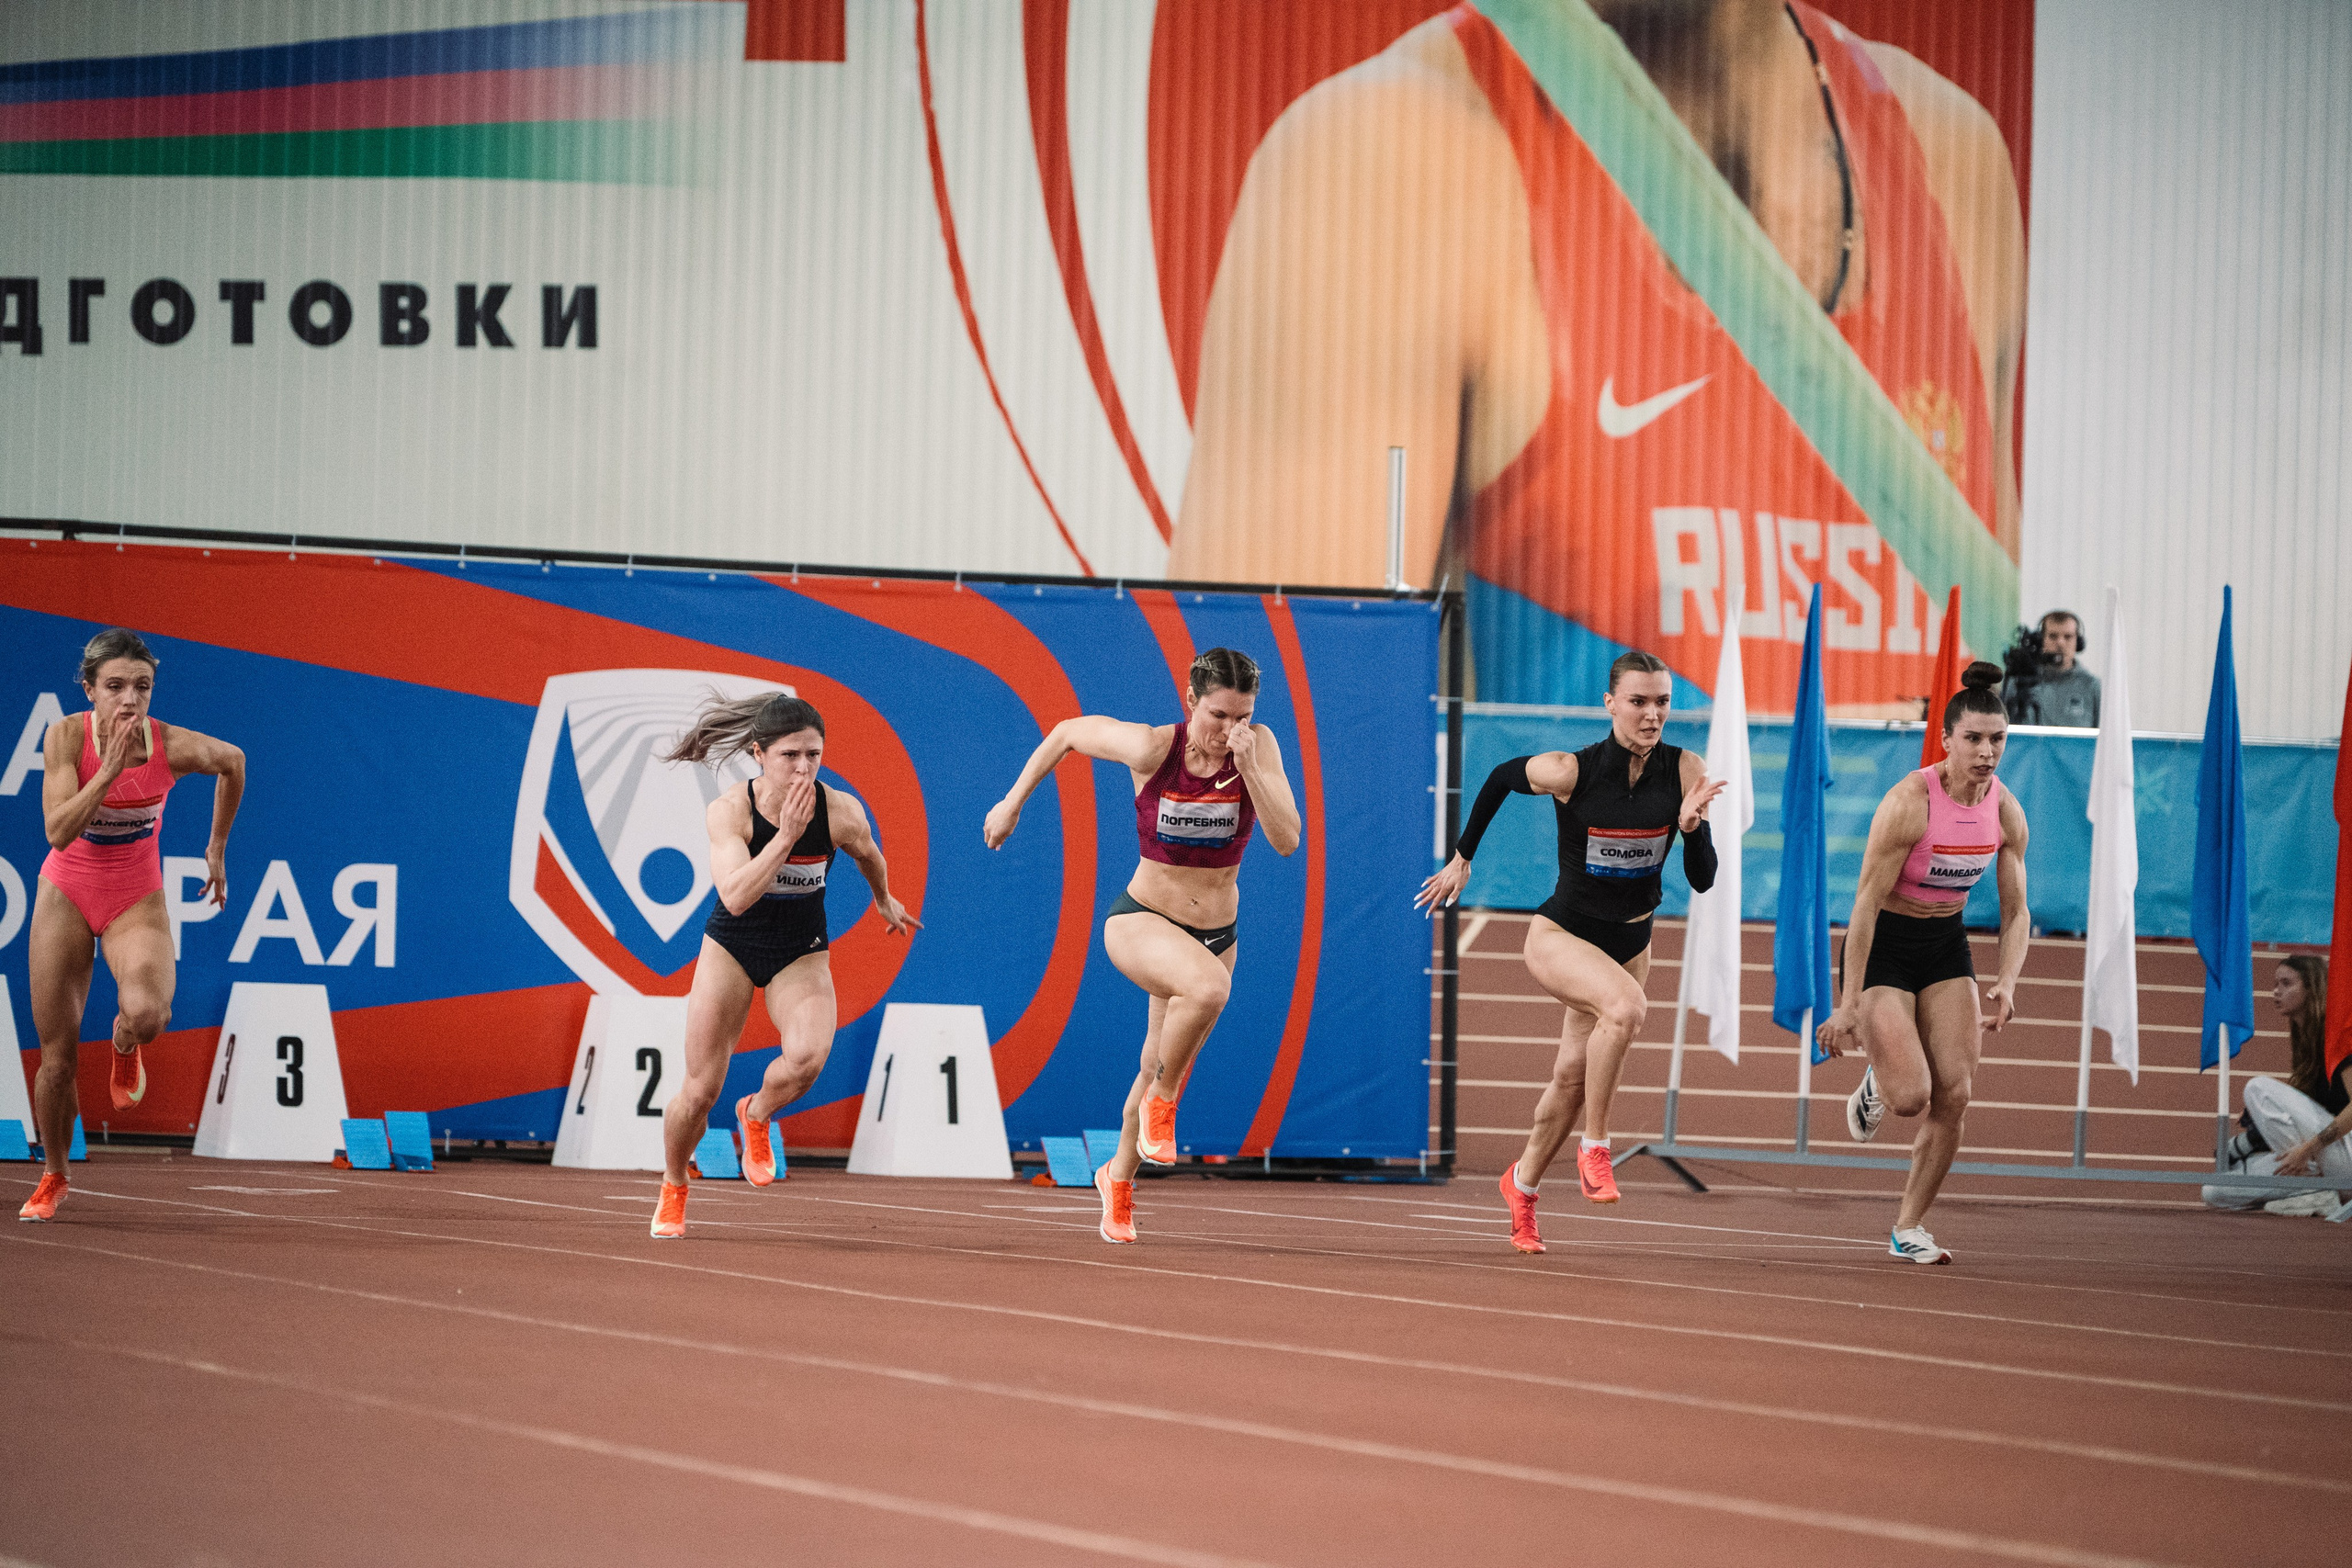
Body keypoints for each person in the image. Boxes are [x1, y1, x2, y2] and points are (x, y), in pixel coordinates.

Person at [1170, 0, 2027, 714]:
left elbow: (1995, 760)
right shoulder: (1388, 159)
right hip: (1583, 916)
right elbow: (1242, 810)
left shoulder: (1956, 177)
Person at [984, 649, 1301, 1245]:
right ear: (1190, 700)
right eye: (1217, 714)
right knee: (1207, 991)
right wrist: (1012, 802)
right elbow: (1066, 733)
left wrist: (1251, 766)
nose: (1228, 729)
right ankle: (1163, 1100)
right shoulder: (1155, 747)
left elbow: (1287, 840)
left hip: (1217, 932)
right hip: (1143, 919)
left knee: (1157, 1058)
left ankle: (1119, 1177)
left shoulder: (1259, 747)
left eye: (1241, 715)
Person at [1418, 649, 1724, 1251]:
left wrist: (1692, 829)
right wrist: (1463, 855)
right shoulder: (1571, 771)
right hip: (1563, 936)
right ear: (1610, 703)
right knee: (1627, 1010)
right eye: (1638, 701)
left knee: (1570, 1075)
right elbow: (1502, 775)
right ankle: (1597, 1145)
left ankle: (1522, 1184)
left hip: (1633, 940)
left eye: (1662, 701)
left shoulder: (1685, 769)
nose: (1652, 713)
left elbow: (1705, 878)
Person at [650, 693, 918, 1240]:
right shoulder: (730, 811)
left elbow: (869, 852)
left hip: (800, 948)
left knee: (808, 1058)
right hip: (733, 944)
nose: (803, 767)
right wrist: (788, 837)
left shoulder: (840, 810)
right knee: (699, 1091)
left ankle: (757, 1111)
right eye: (790, 755)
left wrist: (884, 898)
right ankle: (675, 1183)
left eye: (814, 755)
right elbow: (736, 895)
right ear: (758, 755)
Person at [22, 628, 244, 1224]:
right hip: (66, 891)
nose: (130, 699)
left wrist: (216, 845)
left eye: (141, 686)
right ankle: (55, 1174)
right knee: (57, 1059)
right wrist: (111, 769)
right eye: (115, 686)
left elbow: (233, 761)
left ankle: (123, 1044)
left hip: (133, 896)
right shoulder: (65, 736)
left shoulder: (168, 744)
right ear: (89, 689)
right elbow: (58, 831)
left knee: (149, 1014)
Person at [1819, 660, 2027, 1263]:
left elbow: (2016, 911)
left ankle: (1908, 1225)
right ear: (1947, 738)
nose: (1987, 752)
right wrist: (1848, 1003)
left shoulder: (2006, 810)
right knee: (1910, 1095)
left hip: (1944, 945)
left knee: (1955, 1094)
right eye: (1974, 739)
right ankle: (1881, 1080)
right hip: (1886, 941)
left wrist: (2008, 980)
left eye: (1997, 740)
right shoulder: (1910, 802)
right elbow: (1864, 905)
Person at [2203, 955, 2349, 1216]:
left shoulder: (2339, 1036)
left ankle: (2312, 1188)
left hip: (2345, 1160)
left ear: (2311, 988)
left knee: (2257, 1088)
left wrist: (2306, 1150)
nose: (2276, 991)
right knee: (2216, 1190)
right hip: (2323, 1161)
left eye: (2286, 983)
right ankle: (2311, 1190)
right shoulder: (2304, 1040)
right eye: (2276, 983)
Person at [2005, 610, 2100, 728]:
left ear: (2078, 642)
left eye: (2068, 637)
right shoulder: (2020, 682)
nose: (2060, 643)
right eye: (2053, 636)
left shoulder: (2092, 686)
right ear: (2041, 640)